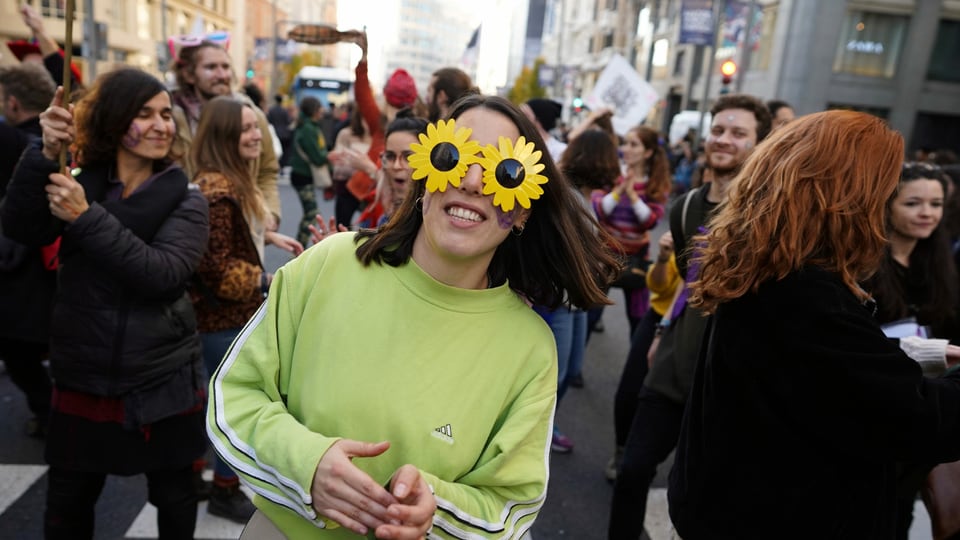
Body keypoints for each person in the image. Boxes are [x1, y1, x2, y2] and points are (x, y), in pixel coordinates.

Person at [207, 94, 620, 538]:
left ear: (521, 211)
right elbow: (234, 395)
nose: (472, 181)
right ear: (425, 175)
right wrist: (304, 464)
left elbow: (510, 505)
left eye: (504, 171)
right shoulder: (327, 265)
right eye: (452, 156)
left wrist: (435, 511)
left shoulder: (530, 349)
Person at [668, 110, 960, 539]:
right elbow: (916, 419)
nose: (882, 206)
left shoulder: (772, 270)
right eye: (881, 191)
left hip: (729, 507)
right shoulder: (806, 295)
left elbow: (819, 371)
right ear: (845, 198)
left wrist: (921, 355)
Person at [1, 67, 209, 539]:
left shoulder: (187, 199)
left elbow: (162, 275)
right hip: (83, 375)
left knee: (175, 499)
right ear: (116, 121)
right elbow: (20, 227)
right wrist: (44, 152)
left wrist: (85, 217)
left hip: (162, 379)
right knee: (67, 506)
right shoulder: (74, 181)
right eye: (145, 114)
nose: (161, 125)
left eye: (166, 114)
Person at [608, 94, 771, 539]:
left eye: (739, 133)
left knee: (701, 495)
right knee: (633, 470)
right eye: (719, 130)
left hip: (728, 381)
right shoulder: (684, 209)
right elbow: (690, 281)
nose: (724, 140)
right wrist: (662, 329)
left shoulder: (770, 217)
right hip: (673, 368)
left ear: (759, 145)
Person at [189, 96, 302, 523]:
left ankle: (208, 478)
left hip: (228, 316)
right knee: (233, 403)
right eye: (247, 129)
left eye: (258, 127)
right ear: (223, 137)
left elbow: (232, 239)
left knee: (221, 399)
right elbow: (214, 268)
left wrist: (268, 241)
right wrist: (270, 281)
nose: (258, 136)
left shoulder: (233, 182)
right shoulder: (216, 192)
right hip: (221, 318)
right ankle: (222, 488)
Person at [861, 161, 960, 538]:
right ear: (887, 206)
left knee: (899, 513)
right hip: (877, 404)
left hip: (922, 406)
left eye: (935, 205)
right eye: (914, 203)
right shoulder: (864, 261)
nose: (926, 214)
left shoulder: (938, 261)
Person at [544, 129, 622, 453]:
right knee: (556, 376)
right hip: (559, 300)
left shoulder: (584, 195)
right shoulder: (569, 195)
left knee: (572, 369)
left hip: (574, 300)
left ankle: (546, 427)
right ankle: (538, 433)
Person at [0, 62, 57, 438]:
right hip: (53, 267)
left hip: (21, 271)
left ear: (14, 102)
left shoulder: (12, 141)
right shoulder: (60, 138)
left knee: (19, 351)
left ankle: (51, 410)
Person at [170, 40, 281, 225]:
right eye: (211, 67)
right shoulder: (171, 117)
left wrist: (270, 214)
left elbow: (267, 171)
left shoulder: (251, 114)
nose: (222, 75)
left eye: (226, 66)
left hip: (243, 226)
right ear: (189, 74)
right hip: (184, 226)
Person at [593, 125, 671, 337]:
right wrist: (620, 190)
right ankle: (575, 370)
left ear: (648, 152)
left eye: (633, 144)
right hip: (605, 256)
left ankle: (637, 368)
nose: (626, 148)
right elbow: (600, 210)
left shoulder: (656, 183)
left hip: (636, 260)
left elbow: (651, 222)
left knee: (638, 319)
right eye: (625, 143)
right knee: (590, 313)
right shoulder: (611, 175)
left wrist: (633, 195)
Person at [355, 112, 427, 228]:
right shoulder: (382, 207)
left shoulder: (432, 219)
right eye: (390, 156)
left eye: (408, 157)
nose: (396, 166)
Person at [288, 96, 330, 246]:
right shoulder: (308, 128)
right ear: (313, 110)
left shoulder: (307, 126)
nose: (322, 111)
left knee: (310, 212)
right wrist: (329, 156)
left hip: (301, 175)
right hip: (302, 175)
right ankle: (299, 244)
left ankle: (299, 244)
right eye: (319, 108)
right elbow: (317, 156)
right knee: (312, 212)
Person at [267, 94, 294, 169]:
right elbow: (288, 121)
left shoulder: (272, 110)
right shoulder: (284, 110)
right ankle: (282, 166)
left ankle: (276, 165)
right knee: (284, 152)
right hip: (285, 135)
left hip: (275, 134)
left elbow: (269, 121)